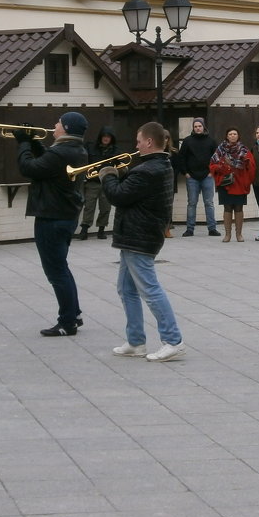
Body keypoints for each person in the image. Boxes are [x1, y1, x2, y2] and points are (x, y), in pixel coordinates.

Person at [102, 122, 185, 362]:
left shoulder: (148, 170)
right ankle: (136, 341)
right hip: (134, 235)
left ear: (149, 142)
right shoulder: (157, 165)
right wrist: (120, 174)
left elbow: (118, 195)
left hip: (140, 237)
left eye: (139, 141)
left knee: (150, 289)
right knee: (126, 289)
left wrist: (107, 175)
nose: (136, 145)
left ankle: (173, 340)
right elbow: (133, 190)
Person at [16, 112, 89, 337]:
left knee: (56, 272)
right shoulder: (75, 149)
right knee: (62, 268)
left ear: (66, 128)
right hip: (64, 215)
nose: (54, 125)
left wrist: (23, 143)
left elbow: (29, 168)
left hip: (52, 217)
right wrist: (35, 142)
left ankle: (67, 322)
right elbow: (47, 162)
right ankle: (74, 313)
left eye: (58, 122)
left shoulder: (61, 152)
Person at [209, 127, 256, 242]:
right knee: (227, 207)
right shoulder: (220, 150)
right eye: (230, 134)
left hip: (239, 183)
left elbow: (251, 167)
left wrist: (245, 167)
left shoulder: (244, 150)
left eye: (235, 134)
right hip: (225, 183)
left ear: (238, 136)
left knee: (239, 207)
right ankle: (227, 234)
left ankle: (239, 234)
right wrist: (221, 167)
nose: (232, 136)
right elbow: (212, 165)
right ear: (227, 136)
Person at [175, 118, 219, 237]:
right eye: (195, 126)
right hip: (192, 177)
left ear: (204, 127)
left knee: (209, 203)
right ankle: (190, 229)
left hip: (207, 176)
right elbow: (181, 157)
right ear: (193, 128)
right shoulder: (188, 141)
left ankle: (212, 228)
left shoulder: (211, 141)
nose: (198, 128)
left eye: (200, 126)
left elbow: (216, 158)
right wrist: (186, 173)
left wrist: (212, 172)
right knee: (192, 203)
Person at [79, 126, 117, 240]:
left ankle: (101, 230)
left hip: (107, 183)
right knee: (89, 206)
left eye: (108, 137)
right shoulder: (91, 147)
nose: (106, 139)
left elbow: (119, 166)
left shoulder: (115, 150)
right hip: (92, 182)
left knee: (105, 207)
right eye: (104, 136)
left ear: (111, 138)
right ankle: (84, 230)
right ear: (101, 137)